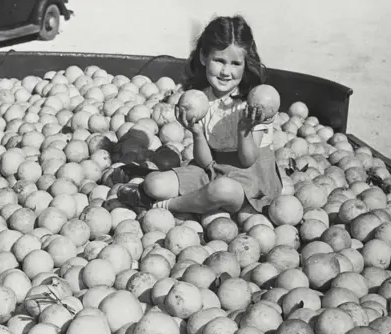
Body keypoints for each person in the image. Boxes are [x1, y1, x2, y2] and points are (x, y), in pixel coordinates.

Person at [111, 15, 283, 215]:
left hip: (249, 180)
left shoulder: (255, 103)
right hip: (213, 170)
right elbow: (206, 163)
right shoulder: (200, 101)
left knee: (222, 190)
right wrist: (197, 133)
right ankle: (184, 196)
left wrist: (244, 130)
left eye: (235, 64)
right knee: (153, 185)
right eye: (219, 61)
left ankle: (163, 206)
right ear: (203, 57)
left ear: (246, 64)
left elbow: (247, 161)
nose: (226, 71)